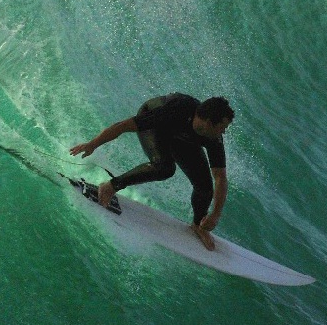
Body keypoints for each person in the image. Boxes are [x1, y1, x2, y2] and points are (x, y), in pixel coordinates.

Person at [69, 94, 235, 251]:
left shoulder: (213, 139)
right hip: (157, 126)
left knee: (204, 186)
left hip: (182, 138)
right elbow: (124, 126)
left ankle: (199, 225)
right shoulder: (177, 109)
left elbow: (220, 178)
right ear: (208, 122)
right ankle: (110, 186)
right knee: (164, 168)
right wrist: (93, 144)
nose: (224, 132)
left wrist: (214, 215)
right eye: (223, 127)